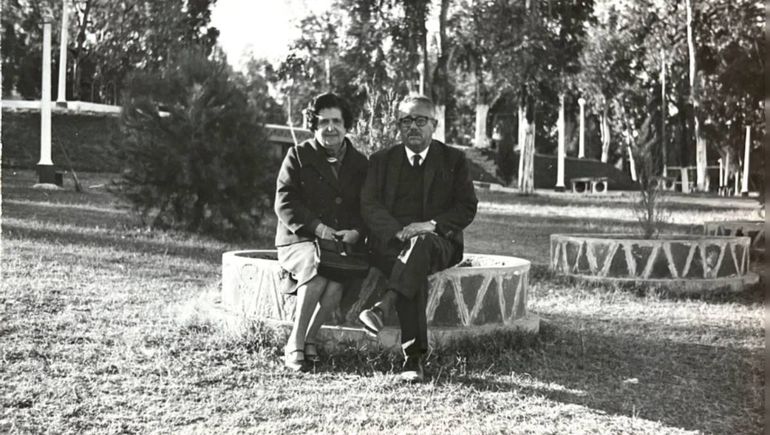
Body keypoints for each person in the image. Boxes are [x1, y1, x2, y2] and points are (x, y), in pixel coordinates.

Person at [358, 94, 478, 382]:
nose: (413, 126)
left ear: (434, 125)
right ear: (398, 126)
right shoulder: (381, 161)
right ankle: (413, 359)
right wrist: (397, 231)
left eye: (421, 120)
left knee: (420, 246)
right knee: (414, 265)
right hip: (391, 243)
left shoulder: (454, 160)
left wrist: (431, 225)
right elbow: (369, 204)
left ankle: (386, 305)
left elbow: (466, 206)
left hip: (438, 242)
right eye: (406, 121)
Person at [274, 92, 368, 371]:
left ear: (346, 125)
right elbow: (285, 202)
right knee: (317, 271)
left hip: (339, 245)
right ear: (314, 126)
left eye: (336, 121)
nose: (330, 128)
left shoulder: (360, 164)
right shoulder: (298, 156)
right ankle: (295, 342)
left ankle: (309, 339)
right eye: (323, 122)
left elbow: (368, 207)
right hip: (299, 240)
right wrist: (318, 228)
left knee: (336, 283)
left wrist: (356, 232)